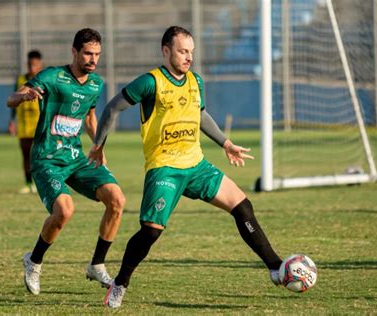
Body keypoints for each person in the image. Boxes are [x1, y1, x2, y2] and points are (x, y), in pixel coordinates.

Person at [88, 26, 283, 308]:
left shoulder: (196, 81)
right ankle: (120, 283)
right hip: (164, 168)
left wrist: (225, 143)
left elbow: (200, 114)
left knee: (242, 206)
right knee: (151, 232)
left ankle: (276, 268)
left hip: (196, 165)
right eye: (182, 51)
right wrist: (99, 144)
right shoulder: (150, 82)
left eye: (191, 51)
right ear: (166, 51)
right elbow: (112, 108)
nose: (188, 57)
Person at [7, 28, 126, 296]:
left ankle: (96, 264)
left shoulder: (95, 84)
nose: (93, 59)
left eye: (97, 54)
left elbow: (89, 118)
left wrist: (98, 146)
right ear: (74, 51)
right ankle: (34, 261)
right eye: (87, 53)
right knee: (64, 210)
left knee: (117, 200)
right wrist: (24, 96)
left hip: (75, 157)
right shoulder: (52, 76)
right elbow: (10, 99)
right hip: (47, 158)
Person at [9, 50, 44, 194]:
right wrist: (12, 121)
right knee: (25, 155)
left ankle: (41, 183)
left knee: (40, 156)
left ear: (40, 65)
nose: (32, 68)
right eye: (30, 64)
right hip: (24, 125)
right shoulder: (20, 80)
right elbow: (13, 99)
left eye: (34, 65)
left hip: (39, 125)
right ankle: (29, 184)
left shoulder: (44, 80)